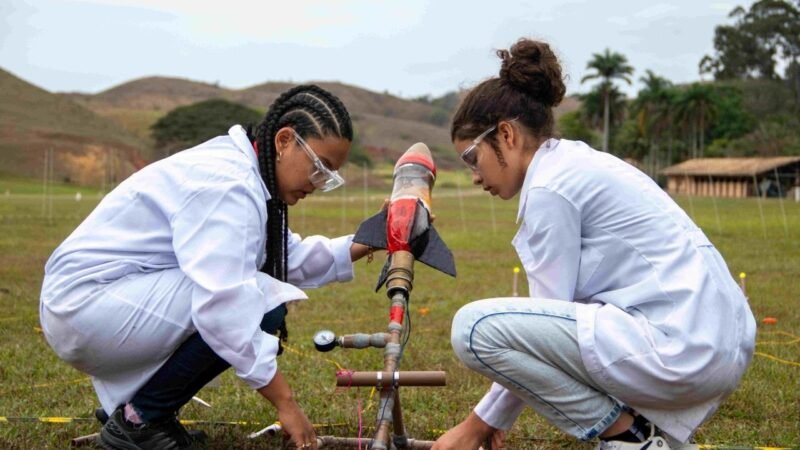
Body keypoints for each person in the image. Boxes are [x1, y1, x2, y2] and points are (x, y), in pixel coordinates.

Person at [433, 39, 756, 450]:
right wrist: (492, 419)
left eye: (471, 159)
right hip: (717, 344)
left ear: (507, 135)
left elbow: (538, 326)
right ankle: (649, 438)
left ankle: (628, 435)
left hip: (681, 348)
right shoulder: (577, 164)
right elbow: (553, 327)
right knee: (562, 322)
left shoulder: (551, 187)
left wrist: (477, 426)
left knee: (474, 329)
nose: (475, 177)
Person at [39, 84, 376, 450]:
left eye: (331, 175)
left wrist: (374, 238)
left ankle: (144, 411)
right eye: (319, 167)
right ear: (284, 141)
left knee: (257, 293)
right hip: (87, 307)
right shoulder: (228, 185)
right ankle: (139, 420)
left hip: (105, 301)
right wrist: (286, 403)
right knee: (257, 302)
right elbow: (223, 306)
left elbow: (285, 258)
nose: (320, 183)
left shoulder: (246, 176)